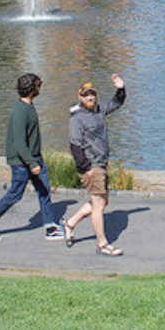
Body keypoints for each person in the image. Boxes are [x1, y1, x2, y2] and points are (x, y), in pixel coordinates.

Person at [0, 73, 64, 242]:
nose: (40, 87)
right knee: (15, 194)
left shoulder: (29, 107)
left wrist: (36, 159)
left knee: (44, 191)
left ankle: (50, 226)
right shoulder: (20, 111)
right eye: (38, 84)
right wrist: (31, 163)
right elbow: (19, 143)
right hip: (22, 162)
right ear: (32, 88)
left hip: (34, 158)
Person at [63, 75, 128, 257]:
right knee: (98, 205)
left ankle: (70, 223)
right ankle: (102, 245)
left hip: (102, 163)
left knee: (100, 202)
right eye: (86, 95)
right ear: (80, 97)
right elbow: (75, 146)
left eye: (92, 94)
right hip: (91, 167)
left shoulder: (99, 110)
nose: (90, 97)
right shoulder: (77, 119)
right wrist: (87, 168)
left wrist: (120, 88)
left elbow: (116, 103)